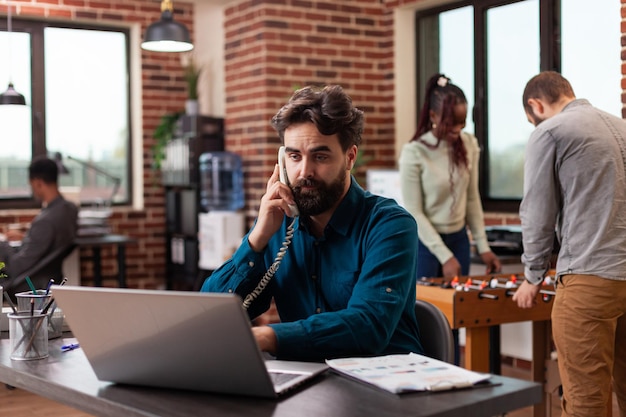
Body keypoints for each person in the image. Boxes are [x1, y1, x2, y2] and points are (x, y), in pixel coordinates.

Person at [201, 85, 423, 362]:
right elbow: (210, 313)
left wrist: (269, 337)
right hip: (310, 383)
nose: (305, 172)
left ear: (349, 158)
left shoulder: (390, 225)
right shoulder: (278, 225)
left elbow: (369, 325)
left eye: (320, 156)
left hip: (390, 386)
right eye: (294, 156)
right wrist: (258, 238)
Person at [512, 71, 626, 417]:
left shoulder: (550, 132)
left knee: (586, 403)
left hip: (589, 281)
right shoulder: (621, 127)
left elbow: (537, 213)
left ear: (536, 105)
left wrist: (532, 276)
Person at [399, 73, 500, 280]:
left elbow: (471, 198)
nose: (457, 129)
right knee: (426, 309)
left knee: (457, 308)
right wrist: (444, 256)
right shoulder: (414, 152)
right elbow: (414, 212)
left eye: (461, 123)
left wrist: (483, 247)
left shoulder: (469, 144)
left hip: (459, 240)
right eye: (451, 122)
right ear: (433, 116)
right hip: (425, 244)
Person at [0, 157, 79, 298]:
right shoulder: (70, 209)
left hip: (28, 283)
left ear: (38, 183)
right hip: (49, 275)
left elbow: (16, 267)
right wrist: (26, 238)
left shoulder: (45, 221)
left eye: (32, 185)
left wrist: (4, 244)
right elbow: (46, 243)